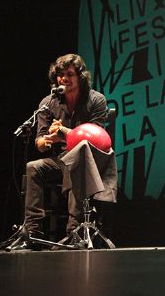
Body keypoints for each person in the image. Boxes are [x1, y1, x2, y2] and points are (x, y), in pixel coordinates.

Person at [23, 54, 108, 243]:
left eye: (69, 74)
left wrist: (65, 132)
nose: (64, 79)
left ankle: (74, 232)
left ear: (80, 77)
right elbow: (39, 143)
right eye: (60, 75)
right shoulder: (47, 103)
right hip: (59, 159)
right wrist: (49, 140)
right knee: (33, 167)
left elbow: (97, 139)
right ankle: (33, 232)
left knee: (74, 162)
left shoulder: (96, 100)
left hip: (88, 162)